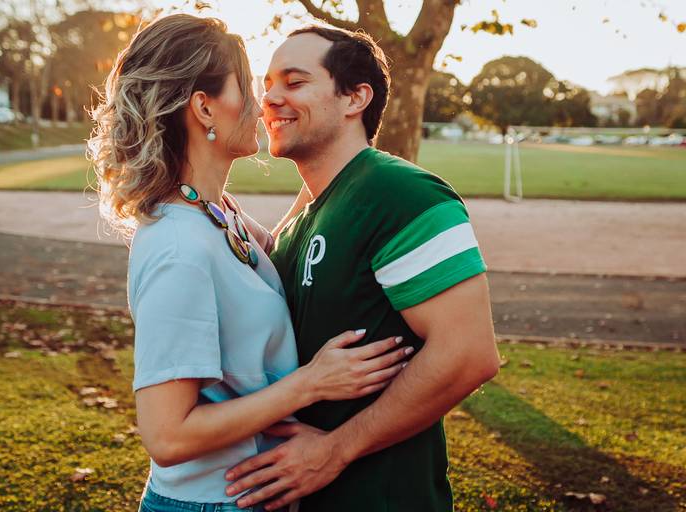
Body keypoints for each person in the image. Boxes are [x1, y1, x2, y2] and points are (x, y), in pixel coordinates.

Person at [87, 14, 410, 512]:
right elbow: (167, 436)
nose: (262, 108)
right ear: (204, 108)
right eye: (247, 88)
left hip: (253, 494)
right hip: (209, 502)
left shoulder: (218, 211)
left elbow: (282, 247)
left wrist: (339, 152)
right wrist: (312, 383)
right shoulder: (178, 245)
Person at [223, 26, 501, 511]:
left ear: (355, 97)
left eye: (294, 81)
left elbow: (469, 354)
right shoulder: (308, 210)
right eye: (268, 82)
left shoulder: (401, 194)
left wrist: (334, 450)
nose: (269, 97)